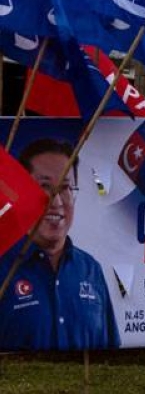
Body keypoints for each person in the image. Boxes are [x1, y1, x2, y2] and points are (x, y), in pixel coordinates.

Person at [0, 138, 120, 350]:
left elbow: (111, 355)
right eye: (44, 186)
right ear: (22, 194)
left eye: (65, 188)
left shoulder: (90, 269)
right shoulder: (4, 268)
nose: (56, 202)